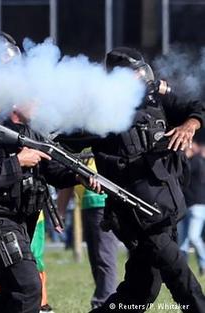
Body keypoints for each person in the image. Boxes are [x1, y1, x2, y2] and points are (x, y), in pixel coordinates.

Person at [59, 47, 205, 312]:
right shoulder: (98, 112)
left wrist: (190, 125)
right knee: (181, 277)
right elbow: (59, 149)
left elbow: (196, 106)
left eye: (141, 72)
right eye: (134, 74)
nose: (141, 78)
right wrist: (79, 173)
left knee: (141, 291)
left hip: (167, 209)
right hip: (135, 213)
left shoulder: (155, 102)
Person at [0, 108, 96, 313]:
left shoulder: (33, 133)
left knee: (11, 295)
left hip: (22, 222)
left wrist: (78, 176)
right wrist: (17, 162)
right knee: (29, 289)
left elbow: (53, 170)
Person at [58, 151, 117, 310]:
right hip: (87, 204)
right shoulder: (79, 144)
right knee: (96, 257)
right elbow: (68, 177)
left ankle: (105, 302)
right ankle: (102, 301)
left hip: (103, 203)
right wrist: (61, 212)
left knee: (104, 256)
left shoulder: (103, 137)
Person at [179, 140, 205, 275]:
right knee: (182, 242)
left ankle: (203, 264)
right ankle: (183, 270)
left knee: (193, 237)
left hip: (197, 207)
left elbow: (183, 171)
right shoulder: (191, 161)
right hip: (185, 206)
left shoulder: (196, 161)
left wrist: (185, 156)